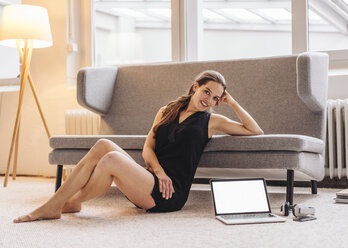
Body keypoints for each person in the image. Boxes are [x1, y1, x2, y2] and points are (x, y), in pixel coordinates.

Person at [13, 70, 264, 223]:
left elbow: (255, 130)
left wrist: (232, 102)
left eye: (215, 98)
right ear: (195, 86)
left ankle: (57, 204)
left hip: (170, 194)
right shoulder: (166, 111)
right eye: (206, 92)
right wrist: (159, 172)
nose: (208, 100)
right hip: (151, 180)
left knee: (110, 159)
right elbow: (148, 149)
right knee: (103, 145)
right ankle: (68, 202)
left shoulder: (211, 121)